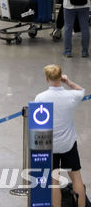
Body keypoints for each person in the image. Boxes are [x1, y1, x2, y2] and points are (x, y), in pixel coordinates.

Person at [35, 65, 85, 207]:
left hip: (50, 144)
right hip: (68, 143)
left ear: (46, 79)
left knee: (54, 180)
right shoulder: (70, 96)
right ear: (61, 77)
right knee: (76, 178)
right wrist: (68, 82)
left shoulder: (40, 98)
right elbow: (81, 91)